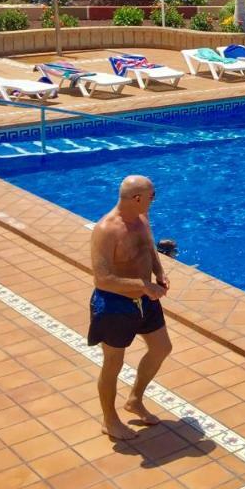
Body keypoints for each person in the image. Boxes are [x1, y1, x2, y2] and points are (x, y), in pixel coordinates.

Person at [87, 175, 172, 440]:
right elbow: (102, 278)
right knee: (114, 363)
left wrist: (159, 273)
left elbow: (149, 249)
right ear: (137, 198)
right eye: (151, 196)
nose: (154, 200)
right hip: (114, 303)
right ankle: (109, 419)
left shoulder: (142, 220)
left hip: (145, 300)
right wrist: (144, 285)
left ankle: (134, 400)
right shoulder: (106, 230)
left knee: (161, 348)